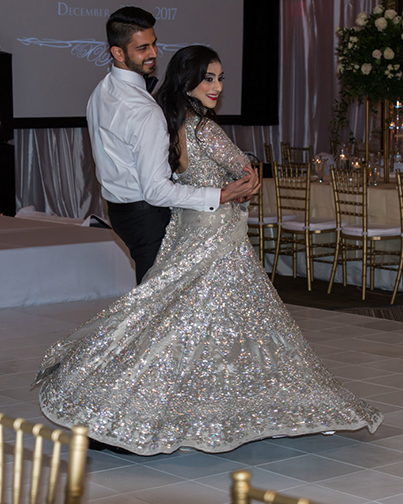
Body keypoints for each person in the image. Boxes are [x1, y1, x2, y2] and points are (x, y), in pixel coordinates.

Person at [34, 46, 382, 456]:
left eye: (220, 78)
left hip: (185, 230)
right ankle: (226, 406)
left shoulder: (168, 123)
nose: (217, 87)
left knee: (180, 323)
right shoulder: (206, 130)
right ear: (188, 82)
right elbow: (245, 172)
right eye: (209, 79)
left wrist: (234, 185)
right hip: (217, 238)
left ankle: (145, 405)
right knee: (230, 327)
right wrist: (242, 179)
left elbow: (174, 187)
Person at [87, 6, 258, 284]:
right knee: (158, 306)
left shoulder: (101, 91)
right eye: (142, 48)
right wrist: (220, 195)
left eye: (154, 44)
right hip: (147, 215)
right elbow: (156, 191)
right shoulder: (145, 110)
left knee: (157, 301)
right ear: (118, 53)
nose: (153, 53)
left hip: (120, 212)